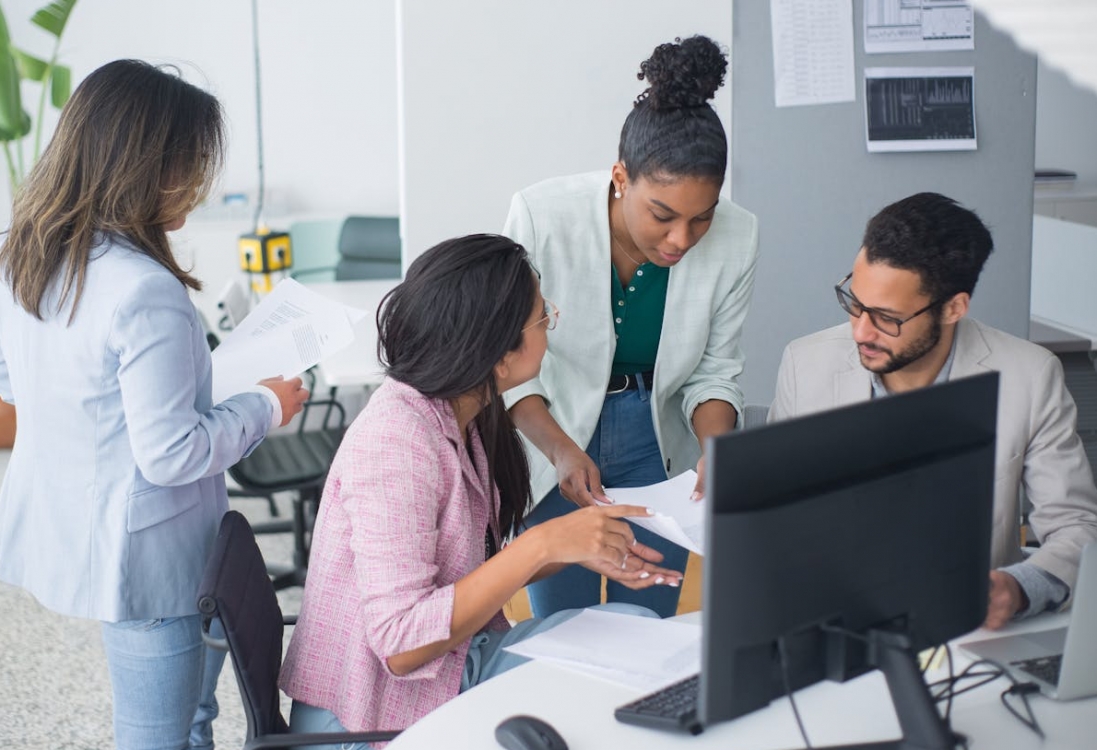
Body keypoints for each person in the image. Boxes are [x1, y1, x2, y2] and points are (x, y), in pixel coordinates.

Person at [0, 60, 308, 750]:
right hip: (151, 554)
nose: (198, 187)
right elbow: (172, 455)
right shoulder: (144, 290)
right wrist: (267, 404)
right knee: (156, 735)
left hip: (80, 526)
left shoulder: (18, 257)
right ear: (142, 167)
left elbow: (17, 385)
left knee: (188, 720)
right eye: (190, 167)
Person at [279, 235, 678, 743]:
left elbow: (468, 572)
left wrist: (578, 548)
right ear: (499, 357)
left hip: (448, 671)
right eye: (541, 317)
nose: (550, 327)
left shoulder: (460, 415)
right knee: (608, 692)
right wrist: (542, 545)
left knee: (635, 625)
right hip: (371, 719)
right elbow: (400, 646)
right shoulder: (395, 444)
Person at [502, 34, 759, 619]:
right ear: (621, 177)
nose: (681, 240)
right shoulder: (543, 217)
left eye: (702, 218)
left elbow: (716, 370)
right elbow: (506, 364)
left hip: (657, 444)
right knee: (559, 626)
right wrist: (563, 452)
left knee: (646, 618)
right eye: (662, 216)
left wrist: (718, 449)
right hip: (554, 428)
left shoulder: (739, 237)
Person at [770, 192, 1097, 630]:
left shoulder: (1031, 376)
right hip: (831, 624)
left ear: (953, 308)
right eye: (855, 303)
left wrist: (1017, 590)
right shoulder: (805, 364)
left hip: (967, 632)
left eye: (887, 317)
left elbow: (1077, 528)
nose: (860, 331)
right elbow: (771, 514)